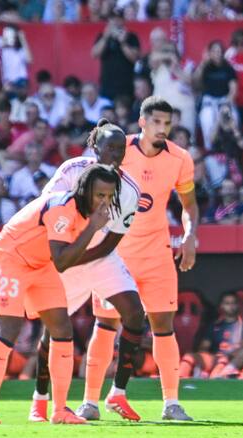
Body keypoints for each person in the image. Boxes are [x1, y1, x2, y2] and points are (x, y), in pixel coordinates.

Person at [28, 119, 144, 422]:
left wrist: (72, 260)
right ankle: (39, 400)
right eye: (111, 148)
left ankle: (117, 394)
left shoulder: (130, 189)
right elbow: (46, 213)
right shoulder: (70, 170)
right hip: (64, 254)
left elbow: (108, 246)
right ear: (95, 147)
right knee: (51, 331)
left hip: (99, 257)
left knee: (134, 312)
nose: (116, 154)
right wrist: (62, 259)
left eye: (121, 149)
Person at [0, 164, 119, 425]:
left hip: (40, 264)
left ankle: (59, 410)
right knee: (9, 330)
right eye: (99, 195)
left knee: (62, 329)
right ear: (85, 190)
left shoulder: (86, 212)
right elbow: (61, 261)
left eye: (109, 196)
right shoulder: (62, 208)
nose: (104, 201)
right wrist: (93, 227)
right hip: (11, 258)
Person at [92, 97, 198, 421]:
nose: (163, 129)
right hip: (116, 251)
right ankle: (89, 401)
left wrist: (191, 235)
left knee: (163, 325)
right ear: (142, 122)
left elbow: (189, 204)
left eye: (167, 123)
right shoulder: (118, 149)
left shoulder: (180, 158)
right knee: (106, 324)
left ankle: (171, 403)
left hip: (156, 252)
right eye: (157, 122)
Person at [91, 12, 140, 101]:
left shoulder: (132, 36)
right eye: (112, 19)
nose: (115, 22)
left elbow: (135, 58)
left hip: (126, 87)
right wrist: (105, 38)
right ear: (109, 21)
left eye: (118, 19)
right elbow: (94, 54)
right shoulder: (102, 36)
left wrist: (123, 43)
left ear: (123, 21)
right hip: (107, 86)